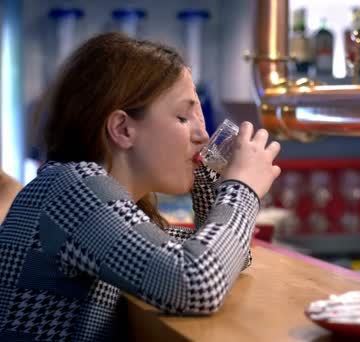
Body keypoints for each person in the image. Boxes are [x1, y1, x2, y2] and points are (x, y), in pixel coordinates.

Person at [0, 32, 281, 341]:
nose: (203, 133)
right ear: (122, 129)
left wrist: (210, 171)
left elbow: (227, 256)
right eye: (184, 117)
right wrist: (242, 187)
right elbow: (196, 284)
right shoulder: (73, 188)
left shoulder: (98, 196)